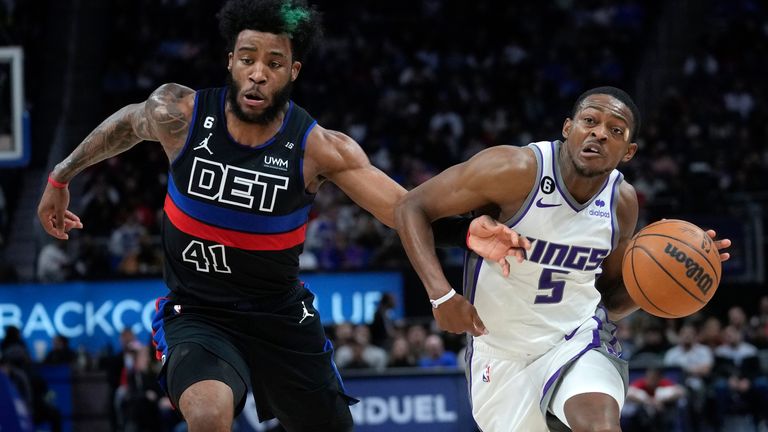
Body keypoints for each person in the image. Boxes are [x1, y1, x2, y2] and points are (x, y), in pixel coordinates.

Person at [36, 1, 517, 430]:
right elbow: (127, 123)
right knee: (207, 416)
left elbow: (402, 208)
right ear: (231, 62)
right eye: (247, 59)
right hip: (199, 313)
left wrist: (465, 232)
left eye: (274, 62)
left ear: (294, 72)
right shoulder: (180, 114)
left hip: (281, 316)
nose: (258, 73)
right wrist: (61, 177)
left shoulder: (319, 148)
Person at [395, 86, 732, 432]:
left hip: (577, 339)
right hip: (499, 354)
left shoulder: (622, 202)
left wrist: (666, 278)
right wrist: (441, 294)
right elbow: (411, 207)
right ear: (568, 128)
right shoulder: (514, 169)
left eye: (615, 131)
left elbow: (610, 300)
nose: (600, 133)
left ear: (628, 152)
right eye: (590, 121)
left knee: (599, 426)